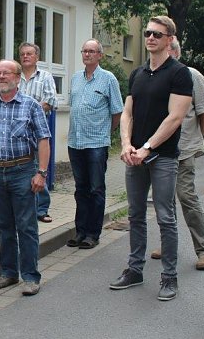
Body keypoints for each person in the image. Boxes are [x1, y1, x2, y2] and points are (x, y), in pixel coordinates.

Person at [111, 16, 192, 301]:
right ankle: (135, 270)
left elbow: (175, 117)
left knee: (166, 217)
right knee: (135, 214)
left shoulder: (179, 73)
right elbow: (127, 113)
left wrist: (147, 147)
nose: (150, 38)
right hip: (135, 156)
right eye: (147, 33)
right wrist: (126, 144)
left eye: (157, 34)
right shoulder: (138, 73)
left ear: (170, 39)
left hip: (163, 157)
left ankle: (169, 277)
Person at [0, 60, 51, 296]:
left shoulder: (31, 105)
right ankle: (8, 273)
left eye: (6, 73)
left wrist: (41, 173)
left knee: (26, 226)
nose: (1, 77)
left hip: (23, 171)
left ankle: (30, 277)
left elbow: (43, 140)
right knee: (3, 226)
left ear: (17, 78)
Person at [151, 39, 204, 270]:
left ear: (175, 53)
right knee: (164, 200)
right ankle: (168, 244)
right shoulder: (155, 76)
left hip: (183, 149)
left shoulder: (192, 76)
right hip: (159, 150)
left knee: (186, 197)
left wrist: (197, 136)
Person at [66, 39, 122, 248]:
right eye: (85, 51)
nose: (87, 54)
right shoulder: (75, 79)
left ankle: (92, 234)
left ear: (100, 55)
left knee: (96, 188)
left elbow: (117, 111)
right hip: (75, 142)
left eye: (91, 51)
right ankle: (80, 231)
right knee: (80, 189)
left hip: (97, 143)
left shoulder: (108, 79)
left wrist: (106, 133)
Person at [18, 42, 58, 223]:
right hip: (17, 132)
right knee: (21, 169)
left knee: (38, 168)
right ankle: (23, 208)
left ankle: (41, 209)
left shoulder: (45, 76)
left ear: (37, 57)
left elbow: (50, 101)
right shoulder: (15, 75)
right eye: (23, 54)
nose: (25, 56)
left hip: (37, 129)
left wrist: (27, 112)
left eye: (29, 54)